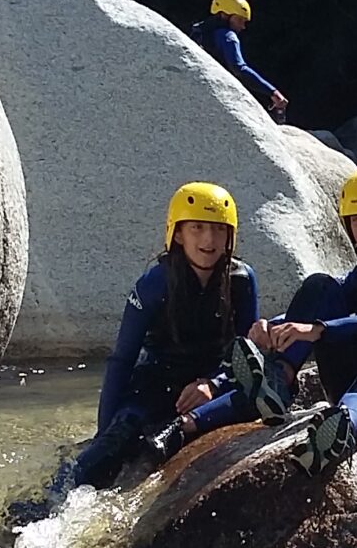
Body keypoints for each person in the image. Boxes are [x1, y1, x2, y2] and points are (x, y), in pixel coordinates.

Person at [182, 164, 357, 475]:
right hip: (354, 388)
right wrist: (277, 328)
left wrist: (320, 330)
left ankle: (339, 432)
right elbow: (318, 312)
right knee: (320, 286)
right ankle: (278, 381)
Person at [67, 182, 259, 490]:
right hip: (156, 383)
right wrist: (105, 431)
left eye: (218, 230)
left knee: (160, 445)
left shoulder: (241, 280)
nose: (209, 240)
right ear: (178, 234)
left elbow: (245, 352)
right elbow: (122, 360)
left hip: (210, 383)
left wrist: (214, 383)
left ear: (230, 236)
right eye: (197, 228)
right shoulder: (154, 283)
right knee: (111, 446)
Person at [189, 0, 289, 121]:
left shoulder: (197, 31)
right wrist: (272, 92)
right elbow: (239, 67)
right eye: (240, 20)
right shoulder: (228, 36)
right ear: (225, 15)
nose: (243, 26)